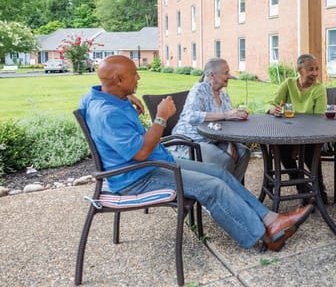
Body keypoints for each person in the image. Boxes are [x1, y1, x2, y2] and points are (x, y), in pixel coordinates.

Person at [80, 55, 313, 251]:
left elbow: (89, 97)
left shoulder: (100, 97)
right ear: (118, 79)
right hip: (138, 176)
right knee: (212, 186)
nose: (138, 77)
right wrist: (161, 117)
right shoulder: (108, 114)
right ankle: (264, 235)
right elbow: (141, 152)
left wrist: (124, 95)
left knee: (218, 173)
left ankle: (272, 220)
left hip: (156, 163)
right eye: (134, 74)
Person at [172, 58, 249, 182]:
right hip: (191, 142)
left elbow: (227, 122)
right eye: (226, 72)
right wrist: (225, 115)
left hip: (213, 140)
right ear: (212, 75)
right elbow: (190, 115)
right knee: (224, 160)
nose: (229, 76)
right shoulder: (199, 90)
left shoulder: (223, 95)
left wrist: (231, 144)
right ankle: (222, 195)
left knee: (243, 152)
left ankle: (232, 193)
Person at [267, 54, 328, 202]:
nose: (315, 73)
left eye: (316, 69)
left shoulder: (319, 89)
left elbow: (318, 119)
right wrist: (272, 109)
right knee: (281, 150)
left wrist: (298, 142)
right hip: (289, 132)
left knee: (310, 153)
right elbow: (271, 103)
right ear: (299, 70)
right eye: (310, 69)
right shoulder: (288, 84)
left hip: (312, 134)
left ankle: (319, 189)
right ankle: (302, 188)